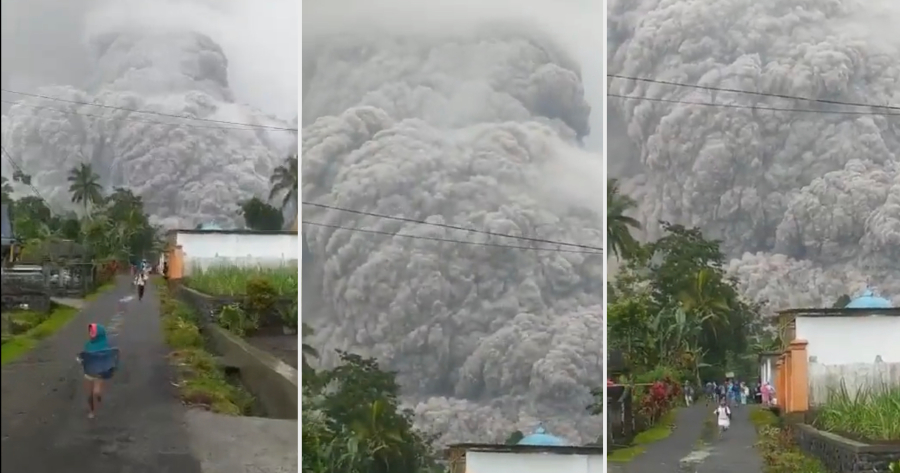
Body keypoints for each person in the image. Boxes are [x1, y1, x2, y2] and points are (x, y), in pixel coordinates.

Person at [77, 324, 118, 419]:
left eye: (93, 332)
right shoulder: (88, 344)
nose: (91, 334)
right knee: (89, 394)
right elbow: (85, 357)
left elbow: (110, 358)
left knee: (96, 392)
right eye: (90, 332)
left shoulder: (106, 345)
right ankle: (92, 411)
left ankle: (98, 397)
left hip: (99, 373)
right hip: (89, 372)